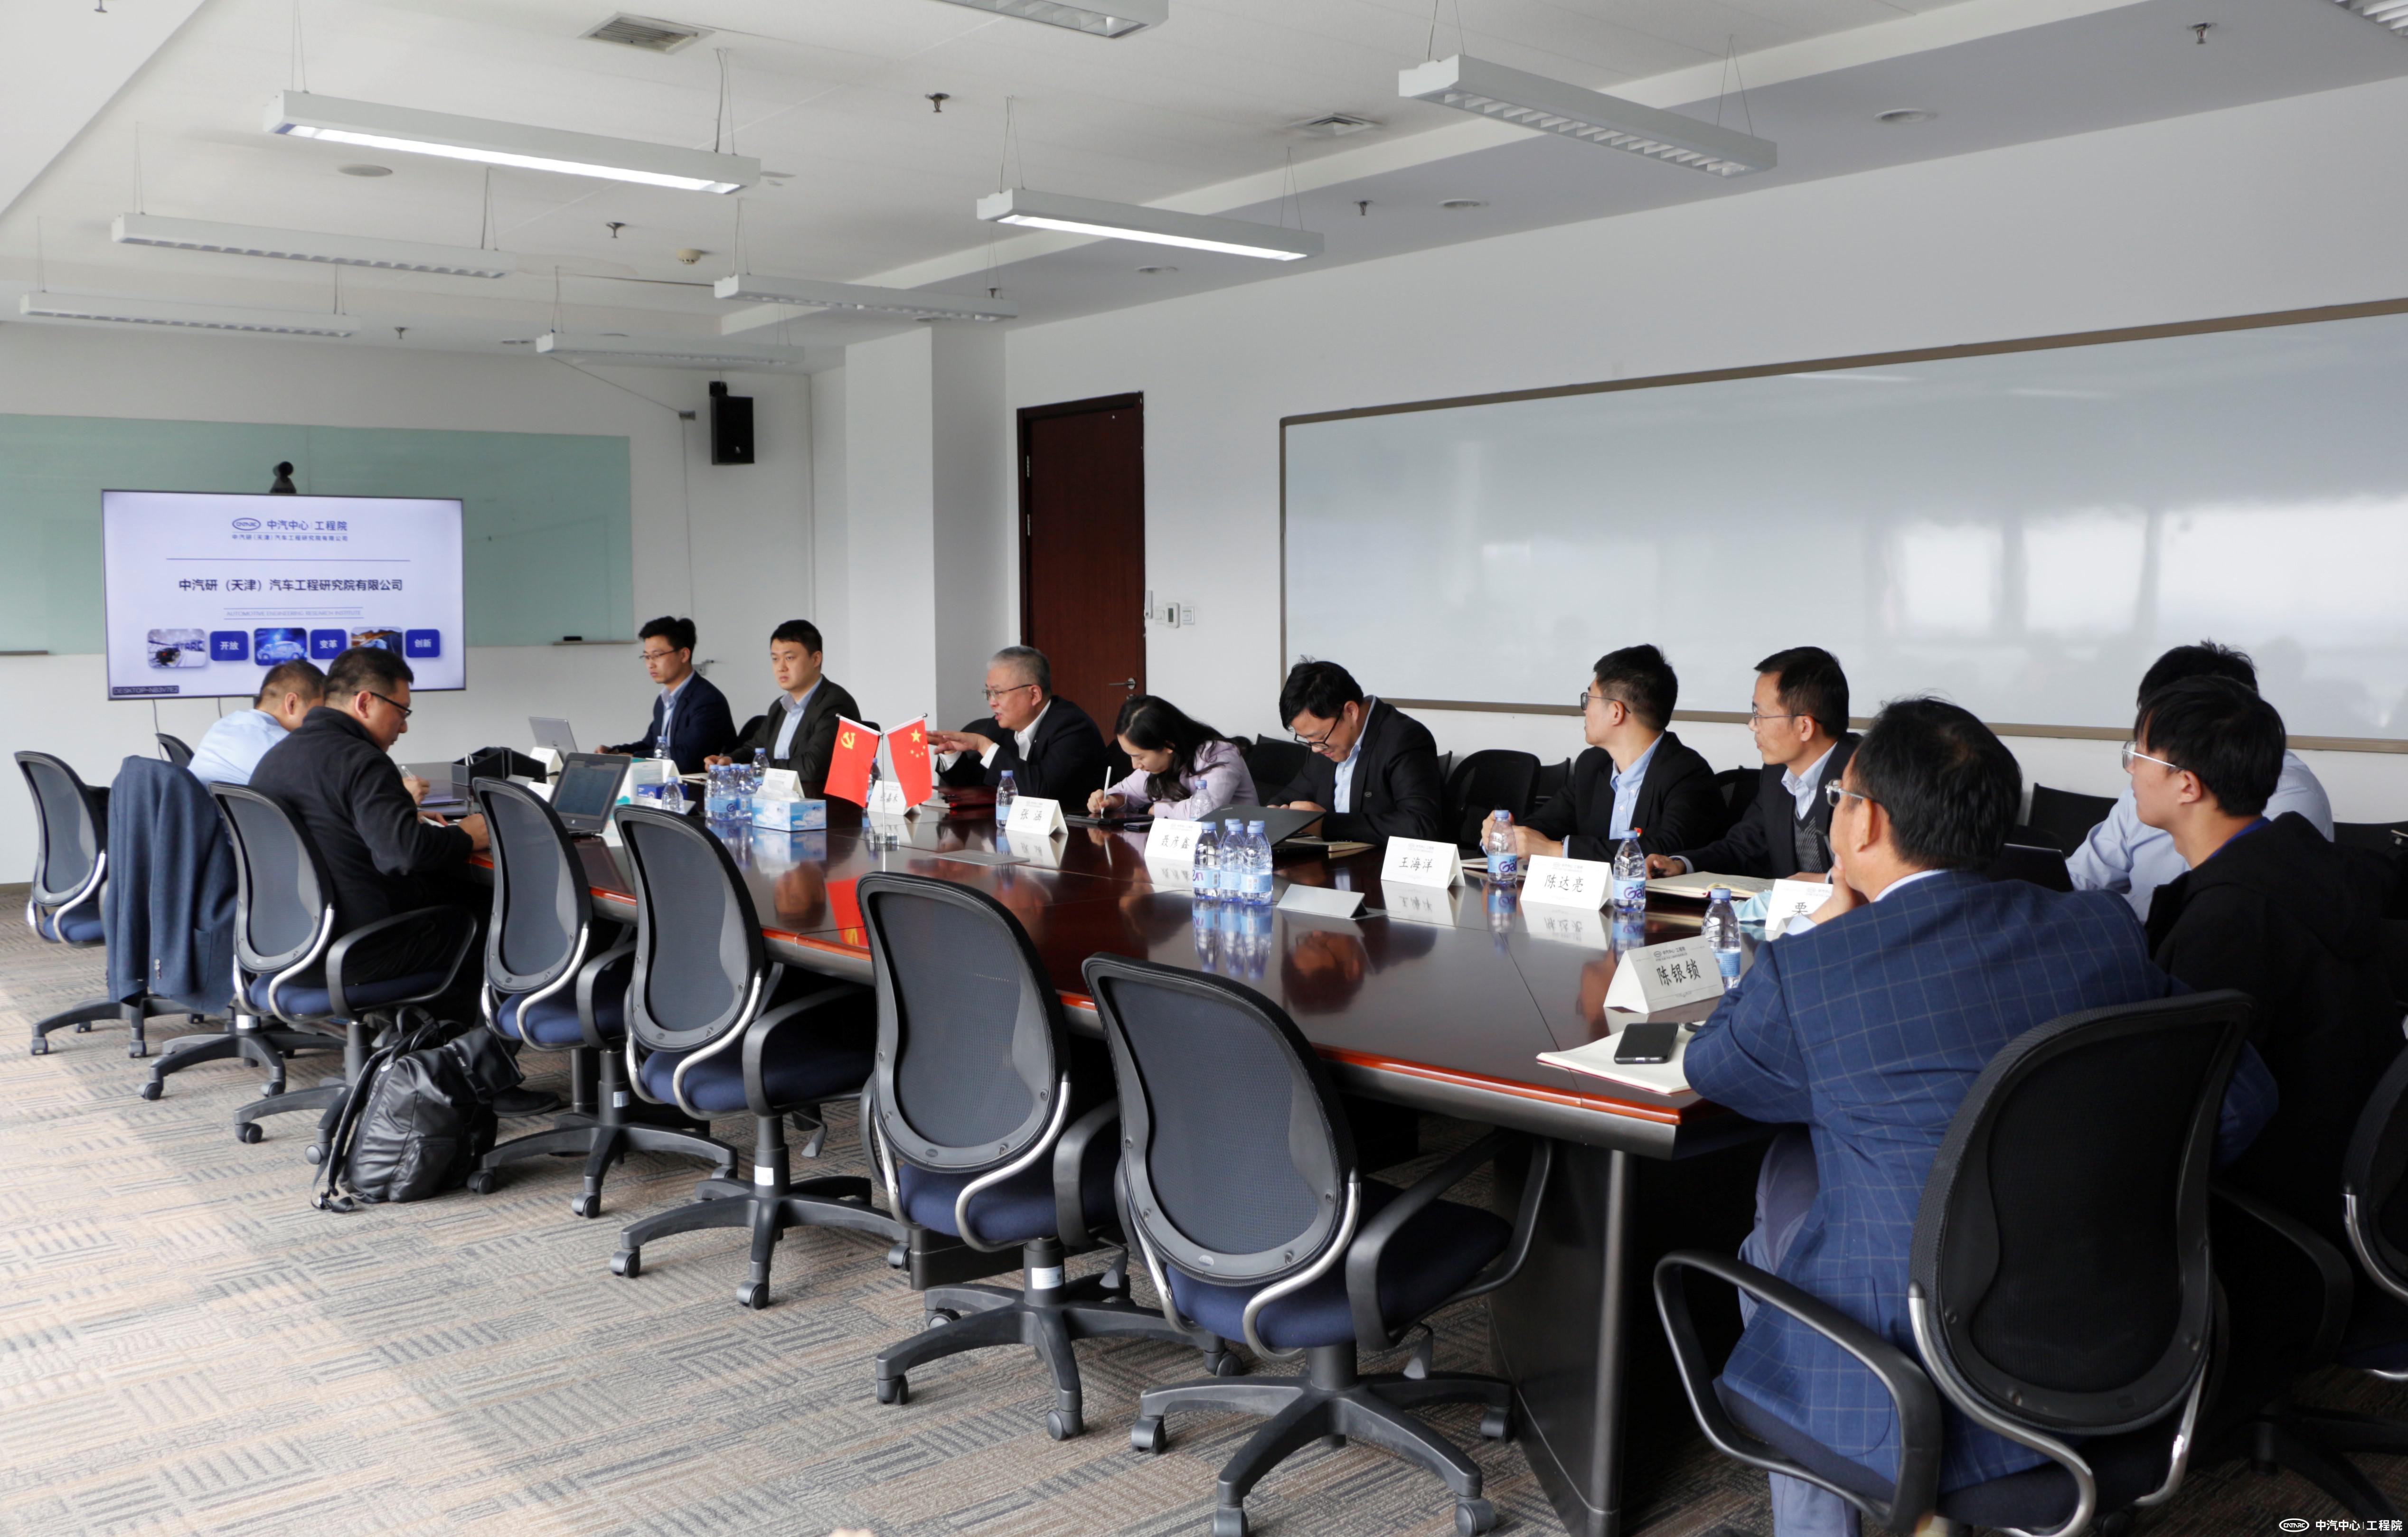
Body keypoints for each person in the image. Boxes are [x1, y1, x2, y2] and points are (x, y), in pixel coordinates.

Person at [1683, 696, 2274, 1537]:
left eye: (1841, 797)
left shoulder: (1816, 971)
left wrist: (1819, 931)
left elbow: (1713, 1065)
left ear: (1866, 820)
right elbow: (2243, 1098)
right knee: (1802, 1173)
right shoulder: (2099, 930)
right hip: (2128, 1346)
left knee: (1782, 1207)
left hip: (1918, 1391)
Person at [2131, 675, 2398, 1249]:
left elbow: (2190, 1115)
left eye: (2138, 754)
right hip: (2361, 1185)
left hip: (2277, 1213)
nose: (2129, 769)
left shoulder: (2226, 922)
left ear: (2186, 784)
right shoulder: (2311, 868)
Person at [248, 647, 491, 1017]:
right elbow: (403, 854)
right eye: (402, 711)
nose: (404, 726)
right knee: (491, 923)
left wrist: (400, 816)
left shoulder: (277, 757)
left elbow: (338, 825)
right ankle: (449, 1050)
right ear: (365, 703)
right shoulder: (363, 761)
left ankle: (415, 1038)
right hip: (356, 953)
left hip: (286, 947)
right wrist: (467, 836)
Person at [2069, 641, 2333, 920]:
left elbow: (2233, 906)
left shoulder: (2288, 796)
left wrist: (2114, 913)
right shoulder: (2153, 783)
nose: (2133, 768)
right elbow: (2084, 877)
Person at [1652, 647, 1858, 881]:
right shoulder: (1777, 773)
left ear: (1805, 727)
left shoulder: (1869, 777)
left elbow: (1885, 870)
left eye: (1760, 715)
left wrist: (1826, 881)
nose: (1753, 725)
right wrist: (1681, 865)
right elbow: (1743, 848)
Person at [1514, 645, 1721, 861]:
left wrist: (1555, 851)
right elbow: (1546, 825)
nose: (1585, 709)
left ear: (1616, 712)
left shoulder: (1687, 774)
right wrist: (1509, 835)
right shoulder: (1592, 764)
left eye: (1589, 699)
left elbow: (1665, 850)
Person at [1269, 660, 1443, 844]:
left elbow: (1421, 825)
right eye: (1307, 739)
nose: (1315, 748)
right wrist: (1273, 812)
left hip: (1379, 861)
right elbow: (1290, 796)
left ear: (1351, 711)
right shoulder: (1324, 745)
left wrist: (1326, 825)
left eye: (1319, 737)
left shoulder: (1404, 739)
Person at [930, 646, 1109, 804]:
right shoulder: (1001, 728)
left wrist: (983, 745)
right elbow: (977, 790)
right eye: (988, 693)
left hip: (1074, 830)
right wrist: (951, 753)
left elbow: (1041, 793)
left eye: (998, 692)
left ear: (1034, 695)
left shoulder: (1072, 727)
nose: (992, 702)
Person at [706, 620, 860, 796]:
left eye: (789, 658)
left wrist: (757, 769)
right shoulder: (780, 707)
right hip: (776, 801)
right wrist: (728, 760)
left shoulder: (835, 704)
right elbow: (754, 748)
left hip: (819, 805)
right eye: (775, 659)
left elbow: (812, 767)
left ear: (816, 659)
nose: (781, 667)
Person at [1088, 695, 1256, 823]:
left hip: (1238, 848)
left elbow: (1205, 812)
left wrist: (1159, 810)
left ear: (1168, 745)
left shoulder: (1218, 754)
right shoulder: (1161, 763)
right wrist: (1108, 800)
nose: (1135, 765)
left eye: (1139, 757)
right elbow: (1127, 793)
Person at [603, 616, 735, 774]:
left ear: (684, 655)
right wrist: (615, 752)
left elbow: (690, 759)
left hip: (697, 785)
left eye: (657, 656)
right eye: (647, 657)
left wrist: (635, 758)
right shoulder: (664, 700)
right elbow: (651, 745)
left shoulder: (707, 701)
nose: (650, 664)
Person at [186, 659, 326, 786]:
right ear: (292, 703)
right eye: (319, 709)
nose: (322, 718)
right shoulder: (283, 746)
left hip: (199, 805)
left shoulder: (224, 724)